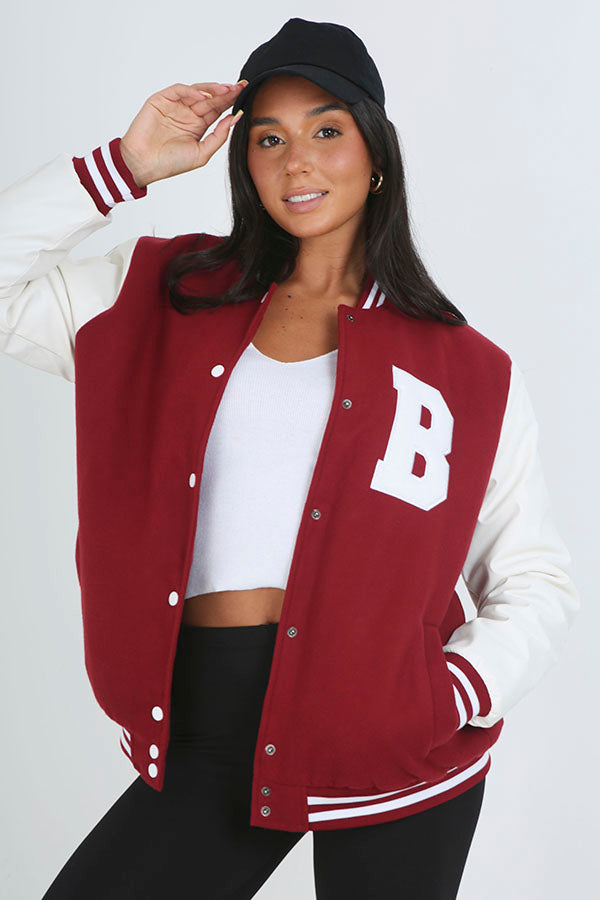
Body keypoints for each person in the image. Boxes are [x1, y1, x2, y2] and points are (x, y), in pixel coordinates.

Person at [0, 17, 580, 900]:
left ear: (375, 152)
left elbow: (535, 577)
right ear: (243, 160)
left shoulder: (469, 369)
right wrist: (127, 163)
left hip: (395, 738)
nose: (296, 161)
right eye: (268, 138)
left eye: (326, 130)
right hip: (205, 725)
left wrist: (451, 693)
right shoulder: (157, 294)